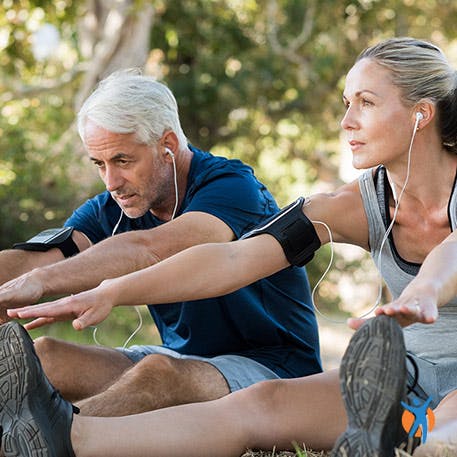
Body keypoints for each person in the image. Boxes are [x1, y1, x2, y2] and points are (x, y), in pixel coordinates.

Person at [2, 36, 457, 457]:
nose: (346, 121)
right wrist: (112, 291)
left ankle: (424, 439)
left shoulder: (228, 182)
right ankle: (66, 438)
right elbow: (234, 258)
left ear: (421, 113)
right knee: (260, 403)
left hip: (355, 369)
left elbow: (450, 254)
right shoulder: (350, 204)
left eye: (366, 103)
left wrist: (425, 290)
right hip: (406, 370)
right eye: (346, 103)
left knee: (446, 427)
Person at [0, 69, 321, 417]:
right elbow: (43, 258)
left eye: (122, 161)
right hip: (184, 361)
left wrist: (43, 282)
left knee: (156, 375)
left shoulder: (233, 186)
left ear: (167, 145)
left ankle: (54, 441)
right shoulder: (113, 207)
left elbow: (150, 249)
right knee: (44, 356)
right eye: (100, 164)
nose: (111, 181)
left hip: (275, 369)